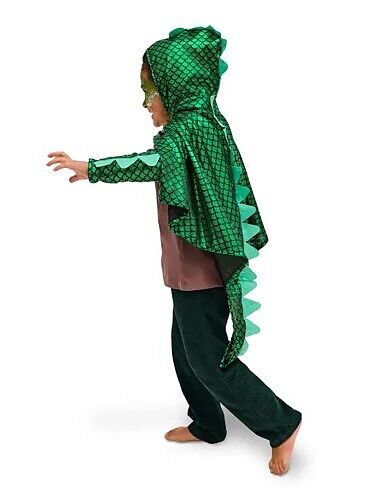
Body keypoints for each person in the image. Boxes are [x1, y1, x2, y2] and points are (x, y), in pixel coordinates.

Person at [46, 25, 302, 476]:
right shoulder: (197, 127)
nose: (146, 103)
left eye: (151, 92)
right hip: (186, 268)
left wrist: (91, 168)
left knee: (208, 359)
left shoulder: (191, 130)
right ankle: (208, 424)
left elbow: (151, 164)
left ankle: (281, 424)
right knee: (185, 350)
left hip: (201, 270)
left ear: (175, 88)